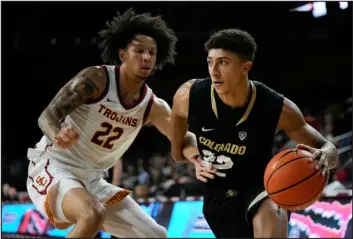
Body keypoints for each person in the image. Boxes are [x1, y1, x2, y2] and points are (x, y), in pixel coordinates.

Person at [27, 8, 184, 238]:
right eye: (139, 51)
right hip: (55, 164)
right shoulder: (96, 80)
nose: (146, 57)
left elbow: (181, 136)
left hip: (92, 179)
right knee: (92, 214)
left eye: (152, 52)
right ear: (122, 53)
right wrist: (57, 132)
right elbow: (47, 116)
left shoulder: (153, 106)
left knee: (155, 234)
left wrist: (200, 157)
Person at [170, 28, 338, 238]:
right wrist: (195, 158)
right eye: (210, 62)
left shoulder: (277, 107)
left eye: (223, 62)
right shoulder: (188, 96)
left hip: (264, 185)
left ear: (245, 67)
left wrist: (324, 158)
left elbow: (329, 150)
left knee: (270, 206)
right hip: (218, 194)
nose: (214, 70)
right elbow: (178, 150)